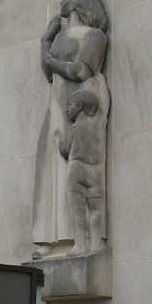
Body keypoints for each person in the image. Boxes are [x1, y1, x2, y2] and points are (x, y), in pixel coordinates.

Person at [32, 0, 110, 258]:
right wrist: (45, 41)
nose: (61, 2)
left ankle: (85, 239)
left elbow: (81, 70)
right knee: (51, 171)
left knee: (74, 172)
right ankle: (53, 238)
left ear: (77, 4)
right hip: (57, 102)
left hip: (79, 101)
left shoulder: (95, 36)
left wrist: (51, 60)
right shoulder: (61, 35)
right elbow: (48, 71)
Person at [57, 89, 107, 255]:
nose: (67, 109)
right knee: (96, 208)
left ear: (79, 106)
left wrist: (59, 139)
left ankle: (80, 244)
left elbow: (65, 150)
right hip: (95, 171)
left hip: (77, 169)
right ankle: (96, 243)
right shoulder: (98, 128)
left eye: (69, 105)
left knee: (77, 208)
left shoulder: (73, 129)